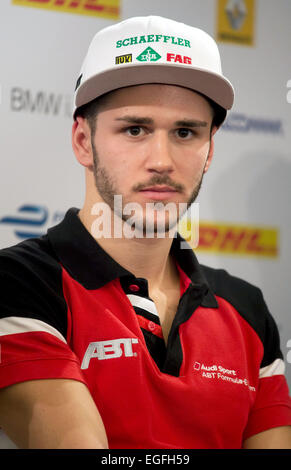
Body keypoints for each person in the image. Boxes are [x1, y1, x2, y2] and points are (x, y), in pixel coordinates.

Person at [0, 15, 290, 450]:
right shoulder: (17, 281)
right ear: (83, 140)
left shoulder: (247, 308)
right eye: (135, 129)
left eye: (185, 132)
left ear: (209, 150)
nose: (162, 160)